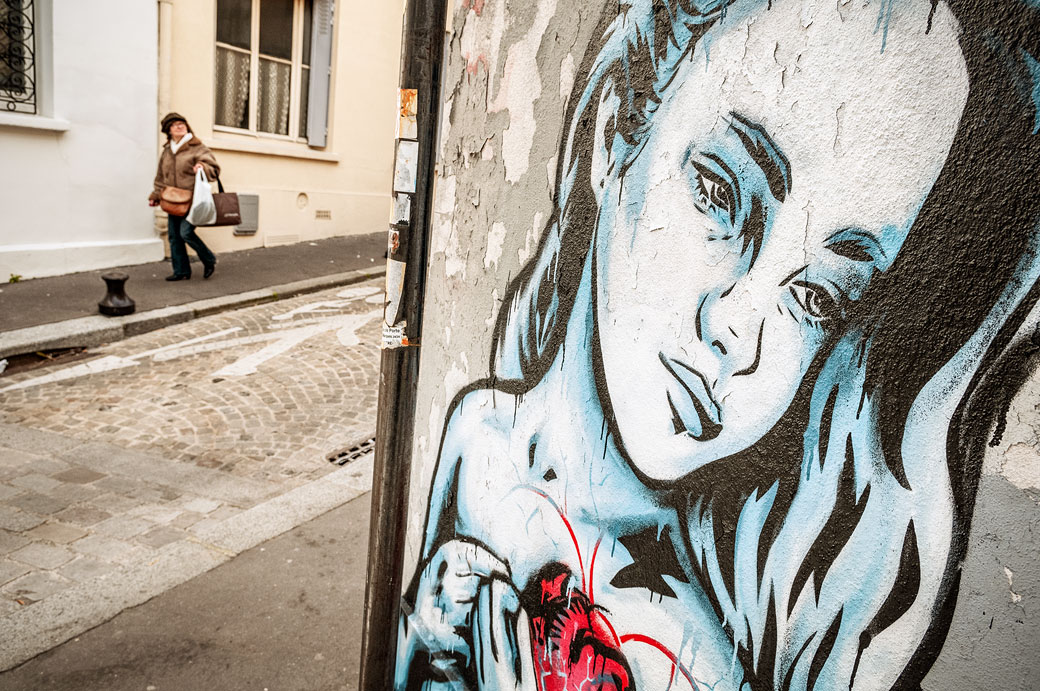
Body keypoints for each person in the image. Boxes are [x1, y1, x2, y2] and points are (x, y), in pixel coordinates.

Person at [395, 0, 1040, 689]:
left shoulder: (687, 659)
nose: (742, 333)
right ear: (616, 130)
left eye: (820, 296)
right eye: (719, 191)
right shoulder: (478, 431)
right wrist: (423, 632)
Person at [148, 112, 219, 281]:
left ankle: (209, 259)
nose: (179, 126)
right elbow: (160, 177)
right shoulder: (167, 150)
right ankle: (181, 271)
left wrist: (203, 166)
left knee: (185, 232)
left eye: (182, 123)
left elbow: (214, 168)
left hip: (193, 200)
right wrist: (156, 195)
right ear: (169, 131)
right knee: (174, 236)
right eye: (175, 125)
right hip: (173, 200)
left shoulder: (196, 147)